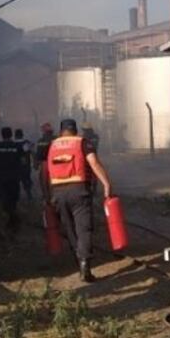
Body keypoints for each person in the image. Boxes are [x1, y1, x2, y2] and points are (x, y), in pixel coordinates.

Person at [47, 118, 112, 282]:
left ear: (61, 131)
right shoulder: (82, 142)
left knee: (69, 228)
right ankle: (85, 265)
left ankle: (78, 257)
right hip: (79, 190)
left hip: (58, 192)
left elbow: (44, 170)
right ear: (75, 130)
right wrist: (106, 183)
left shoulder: (52, 145)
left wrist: (46, 194)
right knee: (84, 228)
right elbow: (94, 162)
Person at [0, 126, 22, 229]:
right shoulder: (17, 146)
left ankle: (9, 218)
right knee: (13, 199)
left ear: (2, 135)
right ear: (11, 134)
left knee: (3, 198)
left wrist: (1, 159)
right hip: (14, 178)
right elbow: (24, 161)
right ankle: (13, 219)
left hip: (2, 178)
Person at [34, 122, 55, 202]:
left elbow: (38, 154)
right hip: (55, 163)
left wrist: (36, 163)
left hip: (45, 163)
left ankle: (46, 197)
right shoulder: (56, 139)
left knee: (43, 181)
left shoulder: (41, 141)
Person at [14, 128, 34, 200]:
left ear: (15, 136)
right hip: (25, 166)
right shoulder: (26, 143)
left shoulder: (13, 144)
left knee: (16, 182)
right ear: (22, 135)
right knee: (26, 181)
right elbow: (32, 151)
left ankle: (17, 197)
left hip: (15, 166)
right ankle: (29, 196)